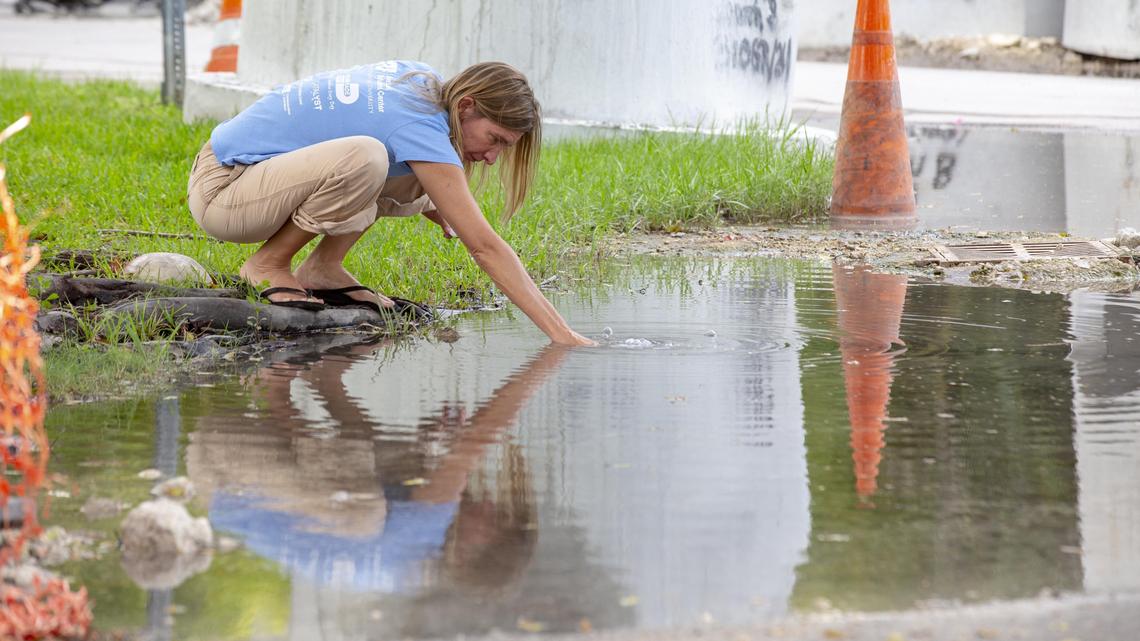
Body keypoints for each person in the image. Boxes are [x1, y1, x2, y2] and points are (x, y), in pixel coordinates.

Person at [187, 60, 594, 346]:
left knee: (396, 165)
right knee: (366, 157)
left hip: (254, 179)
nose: (492, 158)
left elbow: (362, 122)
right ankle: (268, 264)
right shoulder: (419, 126)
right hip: (225, 188)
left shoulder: (425, 84)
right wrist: (562, 335)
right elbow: (485, 247)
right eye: (496, 140)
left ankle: (323, 269)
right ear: (467, 105)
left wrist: (435, 201)